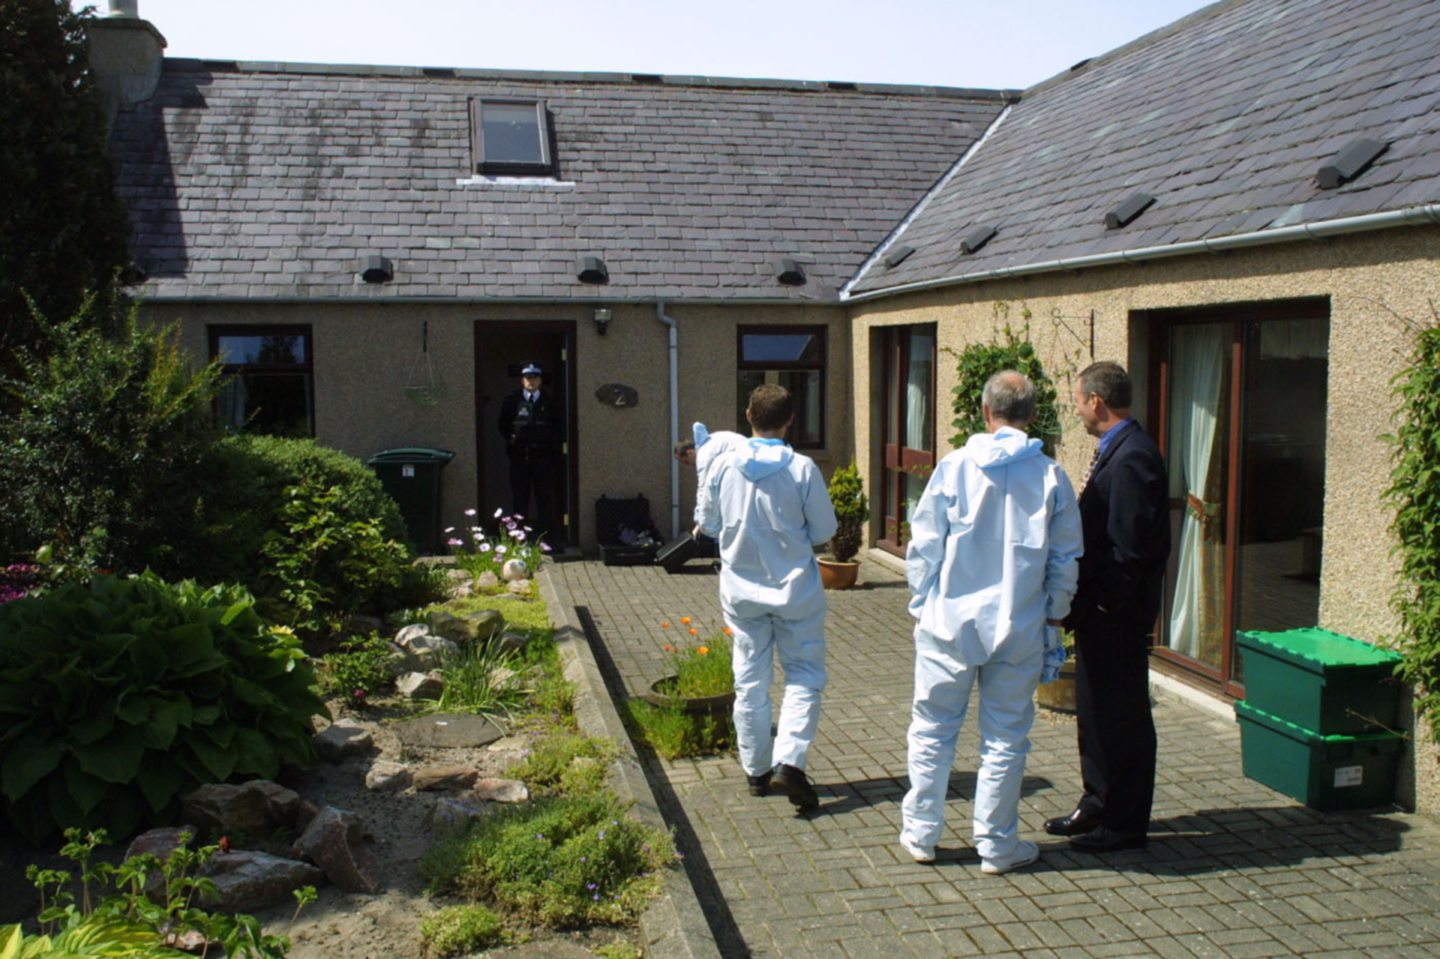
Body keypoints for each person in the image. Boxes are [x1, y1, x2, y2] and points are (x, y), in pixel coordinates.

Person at [898, 371, 1082, 873]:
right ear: (1031, 415)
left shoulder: (954, 467)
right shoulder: (1049, 476)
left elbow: (924, 546)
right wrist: (1053, 617)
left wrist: (922, 604)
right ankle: (998, 845)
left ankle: (921, 834)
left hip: (948, 625)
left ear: (984, 411)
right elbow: (1066, 559)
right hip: (1019, 626)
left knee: (934, 729)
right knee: (1005, 738)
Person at [1047, 360, 1170, 852]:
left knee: (1123, 718)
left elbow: (1131, 550)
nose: (1077, 410)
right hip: (1098, 615)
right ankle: (1097, 801)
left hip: (1115, 616)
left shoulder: (1134, 457)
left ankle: (1125, 821)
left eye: (1077, 400)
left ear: (1096, 401)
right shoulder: (1115, 450)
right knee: (1095, 713)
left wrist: (1102, 607)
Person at [697, 385, 837, 810]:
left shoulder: (722, 466)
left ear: (748, 415)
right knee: (804, 676)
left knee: (750, 682)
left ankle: (756, 771)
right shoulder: (802, 469)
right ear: (790, 420)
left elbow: (708, 523)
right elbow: (825, 531)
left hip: (742, 591)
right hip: (795, 591)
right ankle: (789, 762)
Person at [497, 362, 559, 542]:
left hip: (543, 458)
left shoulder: (549, 401)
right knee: (520, 499)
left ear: (540, 380)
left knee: (545, 499)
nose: (530, 382)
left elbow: (558, 426)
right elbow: (502, 425)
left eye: (534, 378)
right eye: (527, 378)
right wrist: (513, 440)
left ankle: (546, 540)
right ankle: (519, 540)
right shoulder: (512, 400)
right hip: (520, 457)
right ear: (522, 381)